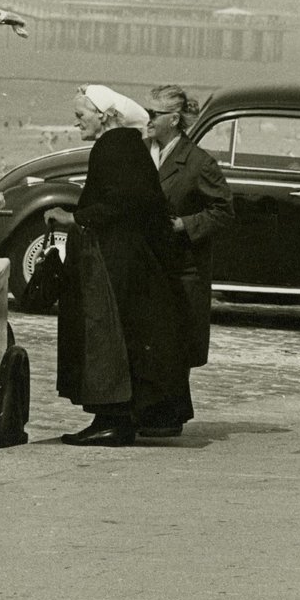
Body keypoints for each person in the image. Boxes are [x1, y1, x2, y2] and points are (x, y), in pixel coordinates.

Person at [44, 85, 191, 447]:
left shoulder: (113, 146)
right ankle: (115, 418)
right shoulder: (128, 145)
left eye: (81, 115)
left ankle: (111, 420)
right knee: (121, 340)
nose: (77, 121)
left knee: (105, 339)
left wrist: (74, 217)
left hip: (111, 262)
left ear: (103, 115)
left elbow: (123, 202)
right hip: (124, 260)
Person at [143, 84, 235, 434]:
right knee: (154, 341)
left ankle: (169, 418)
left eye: (153, 114)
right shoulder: (142, 152)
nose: (147, 120)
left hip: (182, 268)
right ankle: (157, 414)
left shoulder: (198, 162)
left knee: (176, 344)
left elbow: (223, 212)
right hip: (151, 265)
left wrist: (185, 224)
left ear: (174, 118)